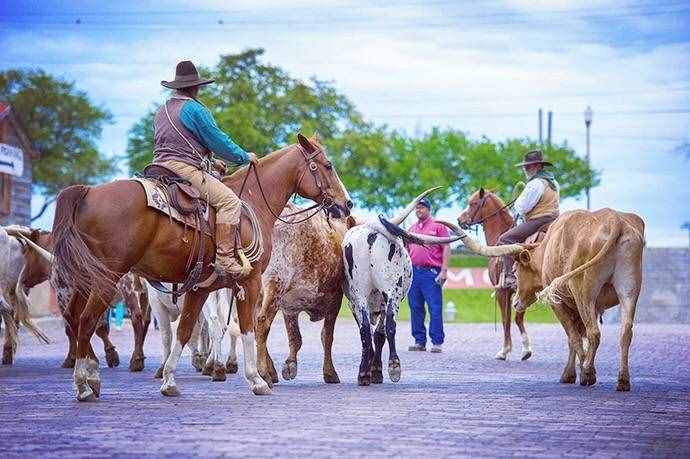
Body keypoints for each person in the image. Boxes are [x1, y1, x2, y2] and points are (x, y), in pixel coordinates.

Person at [152, 60, 258, 278]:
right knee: (230, 202)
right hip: (183, 170)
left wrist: (210, 162)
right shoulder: (194, 109)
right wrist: (244, 156)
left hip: (157, 168)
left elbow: (180, 144)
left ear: (176, 86)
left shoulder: (161, 111)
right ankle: (225, 259)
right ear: (195, 87)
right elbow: (219, 141)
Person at [498, 149, 560, 289]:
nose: (525, 169)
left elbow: (522, 208)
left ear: (538, 166)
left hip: (538, 221)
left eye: (528, 166)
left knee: (504, 239)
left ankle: (509, 277)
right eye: (525, 166)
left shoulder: (535, 184)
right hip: (554, 219)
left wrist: (516, 202)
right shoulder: (553, 182)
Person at [406, 197, 451, 353]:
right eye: (417, 207)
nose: (419, 210)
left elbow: (446, 247)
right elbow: (406, 251)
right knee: (415, 307)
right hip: (413, 273)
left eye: (422, 207)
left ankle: (437, 342)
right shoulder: (411, 229)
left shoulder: (438, 227)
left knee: (434, 307)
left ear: (429, 209)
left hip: (431, 273)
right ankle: (419, 341)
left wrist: (444, 270)